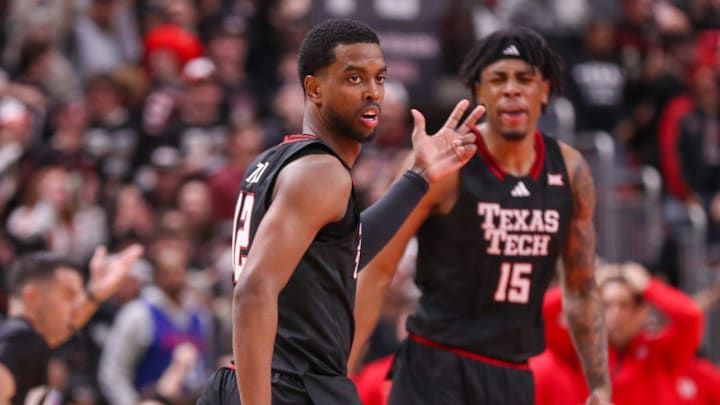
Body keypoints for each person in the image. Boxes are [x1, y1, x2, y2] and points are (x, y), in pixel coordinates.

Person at [196, 18, 483, 405]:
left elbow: (344, 251)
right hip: (289, 387)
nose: (372, 93)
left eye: (379, 78)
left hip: (247, 379)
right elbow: (253, 290)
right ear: (314, 89)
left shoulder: (273, 161)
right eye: (354, 79)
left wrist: (419, 177)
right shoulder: (323, 173)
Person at [351, 27, 612, 405]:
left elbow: (582, 287)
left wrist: (600, 385)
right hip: (434, 367)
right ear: (478, 90)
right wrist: (339, 374)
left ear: (546, 91)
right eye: (498, 79)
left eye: (525, 79)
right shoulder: (447, 162)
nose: (511, 89)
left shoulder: (570, 171)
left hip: (513, 373)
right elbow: (376, 271)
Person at [0, 244, 143, 404]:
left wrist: (95, 294)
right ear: (32, 297)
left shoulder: (24, 341)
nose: (76, 308)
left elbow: (65, 326)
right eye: (69, 296)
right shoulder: (19, 339)